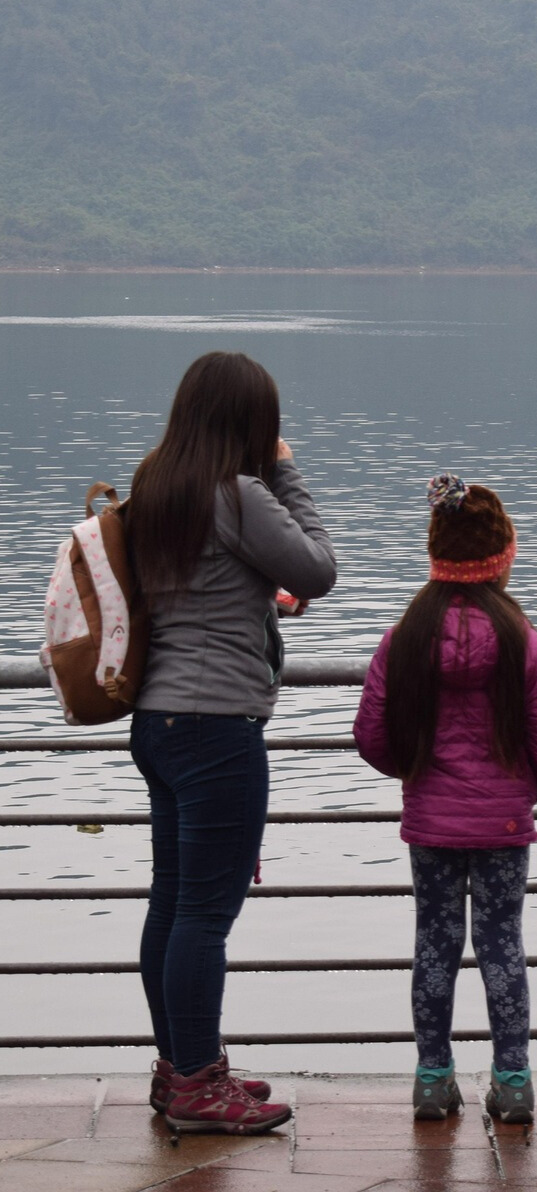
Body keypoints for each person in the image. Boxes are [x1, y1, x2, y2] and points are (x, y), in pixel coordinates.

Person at [125, 351, 337, 1135]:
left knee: (173, 905)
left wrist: (261, 606)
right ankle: (195, 1086)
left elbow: (198, 595)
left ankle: (181, 1068)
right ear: (253, 425)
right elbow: (318, 568)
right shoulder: (239, 491)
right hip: (217, 726)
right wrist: (286, 472)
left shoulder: (157, 487)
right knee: (205, 916)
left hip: (158, 720)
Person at [353, 474, 537, 1123]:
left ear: (437, 553)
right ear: (502, 556)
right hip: (504, 821)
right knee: (502, 944)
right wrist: (520, 791)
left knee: (434, 946)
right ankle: (511, 1085)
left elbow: (370, 732)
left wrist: (416, 774)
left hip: (430, 822)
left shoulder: (406, 638)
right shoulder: (521, 640)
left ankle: (431, 1080)